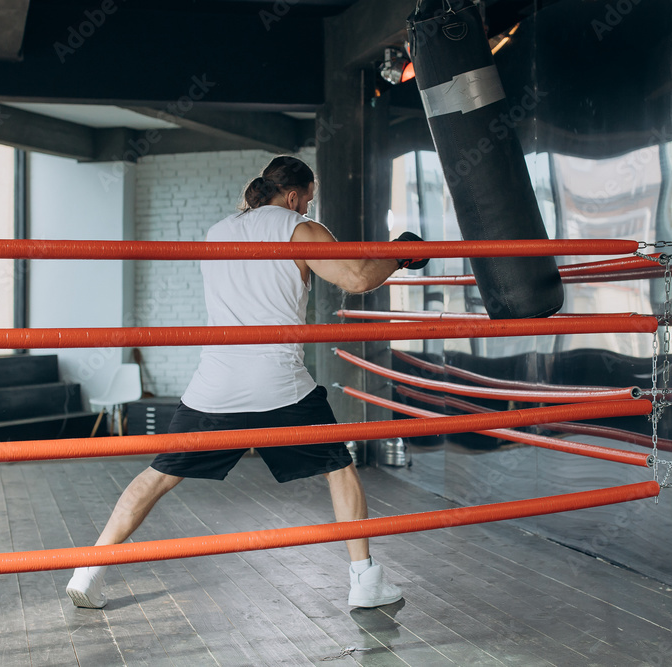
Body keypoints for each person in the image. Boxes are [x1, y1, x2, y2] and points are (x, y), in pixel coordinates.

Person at [66, 155, 426, 610]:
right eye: (307, 200)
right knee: (338, 465)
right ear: (294, 195)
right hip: (278, 384)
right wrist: (397, 254)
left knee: (158, 474)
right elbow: (355, 278)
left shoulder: (218, 232)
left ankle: (90, 570)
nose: (307, 208)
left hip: (214, 385)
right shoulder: (300, 228)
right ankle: (365, 580)